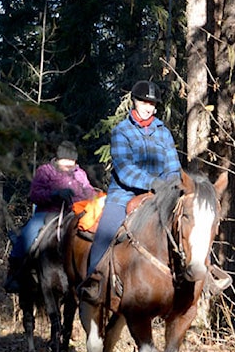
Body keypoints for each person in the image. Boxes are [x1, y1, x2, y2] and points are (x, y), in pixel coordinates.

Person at [77, 80, 182, 303]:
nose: (148, 107)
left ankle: (204, 275)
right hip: (124, 194)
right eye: (144, 101)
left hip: (160, 194)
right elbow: (125, 170)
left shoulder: (163, 132)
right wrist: (153, 182)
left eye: (152, 103)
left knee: (187, 223)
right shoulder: (121, 131)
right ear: (134, 102)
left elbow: (173, 166)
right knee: (106, 231)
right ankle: (93, 280)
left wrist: (169, 186)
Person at [4, 140, 95, 293]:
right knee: (27, 235)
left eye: (71, 165)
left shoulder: (80, 174)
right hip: (48, 212)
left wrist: (93, 196)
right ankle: (15, 275)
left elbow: (88, 190)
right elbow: (34, 194)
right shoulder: (44, 171)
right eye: (65, 165)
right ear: (58, 159)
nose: (68, 169)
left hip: (75, 213)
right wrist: (55, 194)